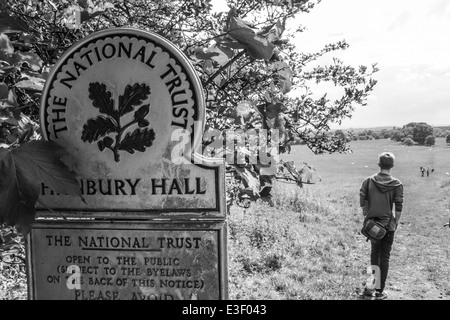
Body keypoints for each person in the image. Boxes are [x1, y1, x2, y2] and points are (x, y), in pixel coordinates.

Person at [359, 152, 404, 300]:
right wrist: (395, 223)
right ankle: (379, 292)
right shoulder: (397, 184)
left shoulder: (368, 181)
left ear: (379, 165)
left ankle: (370, 288)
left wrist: (367, 215)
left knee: (374, 255)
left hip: (372, 226)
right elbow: (398, 206)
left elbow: (363, 199)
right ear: (392, 166)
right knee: (384, 257)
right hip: (388, 227)